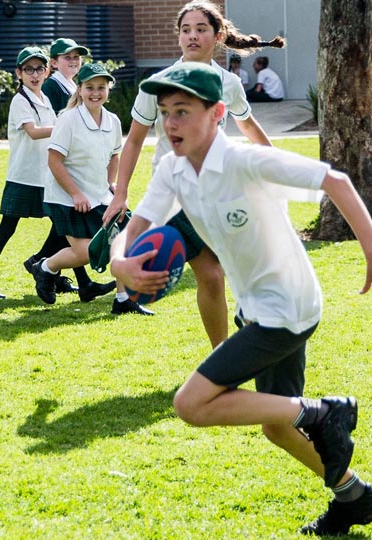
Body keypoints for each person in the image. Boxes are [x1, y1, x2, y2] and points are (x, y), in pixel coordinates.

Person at [111, 61, 372, 536]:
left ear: (217, 114)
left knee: (191, 404)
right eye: (166, 112)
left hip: (286, 309)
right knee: (276, 424)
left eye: (183, 111)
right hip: (258, 308)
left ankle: (325, 411)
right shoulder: (171, 169)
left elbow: (336, 181)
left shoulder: (246, 161)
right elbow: (137, 225)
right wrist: (118, 262)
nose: (170, 124)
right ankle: (354, 496)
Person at [109, 0, 284, 347]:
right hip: (177, 194)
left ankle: (245, 315)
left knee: (242, 264)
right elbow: (133, 141)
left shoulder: (227, 83)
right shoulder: (156, 84)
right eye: (186, 29)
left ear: (217, 36)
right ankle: (221, 359)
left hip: (219, 188)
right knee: (211, 275)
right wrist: (120, 193)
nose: (192, 36)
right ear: (178, 37)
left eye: (201, 29)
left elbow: (248, 126)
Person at [0, 47, 88, 300]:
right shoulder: (20, 100)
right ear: (19, 73)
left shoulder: (43, 98)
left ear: (46, 71)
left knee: (62, 225)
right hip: (23, 177)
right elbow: (33, 132)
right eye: (28, 69)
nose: (34, 74)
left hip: (45, 176)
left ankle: (54, 274)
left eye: (39, 69)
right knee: (7, 229)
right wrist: (63, 127)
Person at [30, 63, 148, 314]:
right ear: (80, 90)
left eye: (101, 87)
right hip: (66, 198)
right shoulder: (68, 119)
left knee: (124, 241)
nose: (96, 92)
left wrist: (110, 184)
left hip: (100, 195)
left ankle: (123, 299)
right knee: (86, 253)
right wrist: (75, 193)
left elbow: (115, 155)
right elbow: (54, 160)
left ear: (108, 90)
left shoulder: (113, 121)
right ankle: (45, 268)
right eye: (90, 87)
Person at [41, 38, 88, 110]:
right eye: (67, 57)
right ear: (54, 63)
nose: (73, 61)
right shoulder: (49, 88)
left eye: (76, 57)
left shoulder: (73, 85)